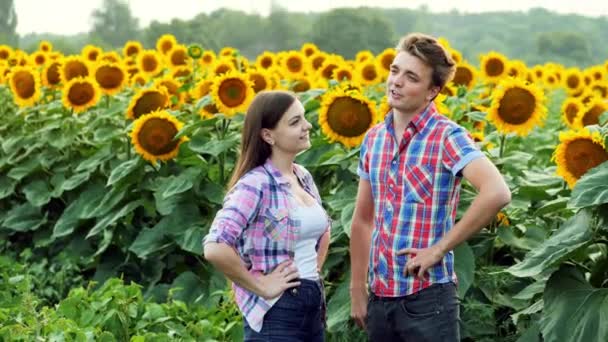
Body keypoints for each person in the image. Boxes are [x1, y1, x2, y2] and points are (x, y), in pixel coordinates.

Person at [349, 33, 511, 341]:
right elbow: (362, 219)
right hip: (380, 298)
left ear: (432, 91)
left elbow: (497, 192)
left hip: (426, 299)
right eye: (395, 71)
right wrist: (357, 287)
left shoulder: (447, 137)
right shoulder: (374, 139)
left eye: (411, 77)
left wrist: (438, 249)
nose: (396, 82)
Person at [203, 90, 331, 341]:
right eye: (295, 122)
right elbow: (215, 247)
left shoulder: (302, 176)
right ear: (268, 135)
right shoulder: (255, 185)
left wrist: (312, 272)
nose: (307, 126)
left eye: (304, 118)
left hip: (312, 305)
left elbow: (323, 230)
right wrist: (262, 286)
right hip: (278, 311)